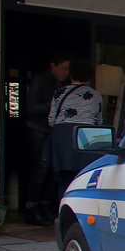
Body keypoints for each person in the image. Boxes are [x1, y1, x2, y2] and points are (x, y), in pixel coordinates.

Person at [45, 57, 104, 199]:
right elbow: (99, 121)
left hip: (63, 136)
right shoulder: (96, 96)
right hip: (87, 136)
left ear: (71, 74)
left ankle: (64, 209)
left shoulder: (59, 93)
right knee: (86, 176)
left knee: (64, 178)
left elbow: (51, 120)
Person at [24, 53, 71, 225]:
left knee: (53, 169)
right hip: (39, 129)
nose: (66, 72)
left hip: (55, 130)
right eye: (63, 68)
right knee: (41, 168)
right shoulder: (40, 80)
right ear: (53, 65)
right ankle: (32, 207)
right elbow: (31, 107)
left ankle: (45, 206)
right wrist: (53, 104)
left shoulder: (65, 83)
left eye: (68, 69)